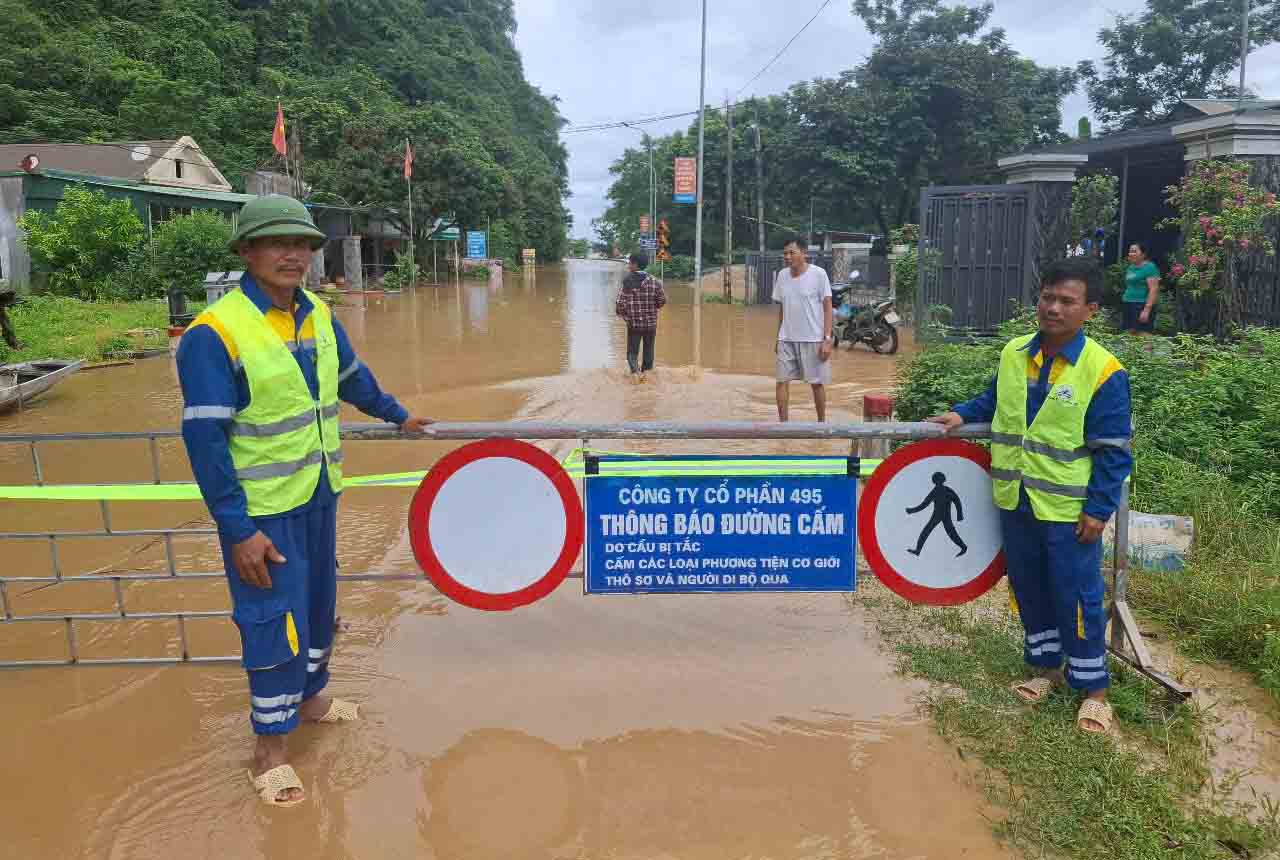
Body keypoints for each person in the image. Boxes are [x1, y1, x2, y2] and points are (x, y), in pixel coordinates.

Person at [175, 195, 432, 807]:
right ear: (246, 251)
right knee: (270, 624)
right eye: (276, 243)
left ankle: (312, 699)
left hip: (317, 495)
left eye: (304, 244)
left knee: (318, 609)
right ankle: (269, 750)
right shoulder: (216, 334)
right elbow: (205, 439)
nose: (294, 254)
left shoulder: (317, 312)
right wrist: (237, 529)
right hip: (261, 512)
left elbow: (350, 380)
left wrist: (397, 415)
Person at [927, 258, 1132, 735]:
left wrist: (1098, 510)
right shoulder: (1015, 352)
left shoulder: (1103, 371)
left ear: (1089, 310)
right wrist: (961, 414)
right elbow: (996, 400)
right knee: (1029, 588)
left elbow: (1114, 452)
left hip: (1067, 510)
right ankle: (1046, 671)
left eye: (1067, 301)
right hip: (1015, 500)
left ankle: (1096, 691)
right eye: (1047, 297)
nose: (1053, 308)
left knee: (1078, 596)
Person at [773, 236, 833, 422]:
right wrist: (777, 336)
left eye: (792, 252)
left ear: (804, 253)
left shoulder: (819, 274)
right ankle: (783, 426)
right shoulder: (782, 275)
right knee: (781, 381)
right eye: (785, 253)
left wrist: (827, 339)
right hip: (786, 338)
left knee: (816, 383)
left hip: (813, 339)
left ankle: (821, 424)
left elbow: (827, 306)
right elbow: (783, 307)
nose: (787, 257)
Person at [615, 252, 667, 378]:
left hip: (634, 324)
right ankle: (647, 376)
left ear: (635, 265)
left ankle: (635, 375)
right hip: (651, 325)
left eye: (630, 263)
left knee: (632, 353)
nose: (628, 266)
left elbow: (620, 303)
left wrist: (626, 317)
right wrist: (653, 308)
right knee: (649, 352)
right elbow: (662, 301)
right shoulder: (655, 282)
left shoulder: (628, 281)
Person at [1122, 241, 1160, 335]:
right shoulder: (1131, 267)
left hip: (1141, 304)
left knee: (1144, 335)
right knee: (1129, 333)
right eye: (1130, 251)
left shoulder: (1150, 267)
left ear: (1143, 254)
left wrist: (1147, 310)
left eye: (1134, 251)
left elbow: (1153, 289)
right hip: (1128, 303)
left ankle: (1147, 350)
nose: (1131, 254)